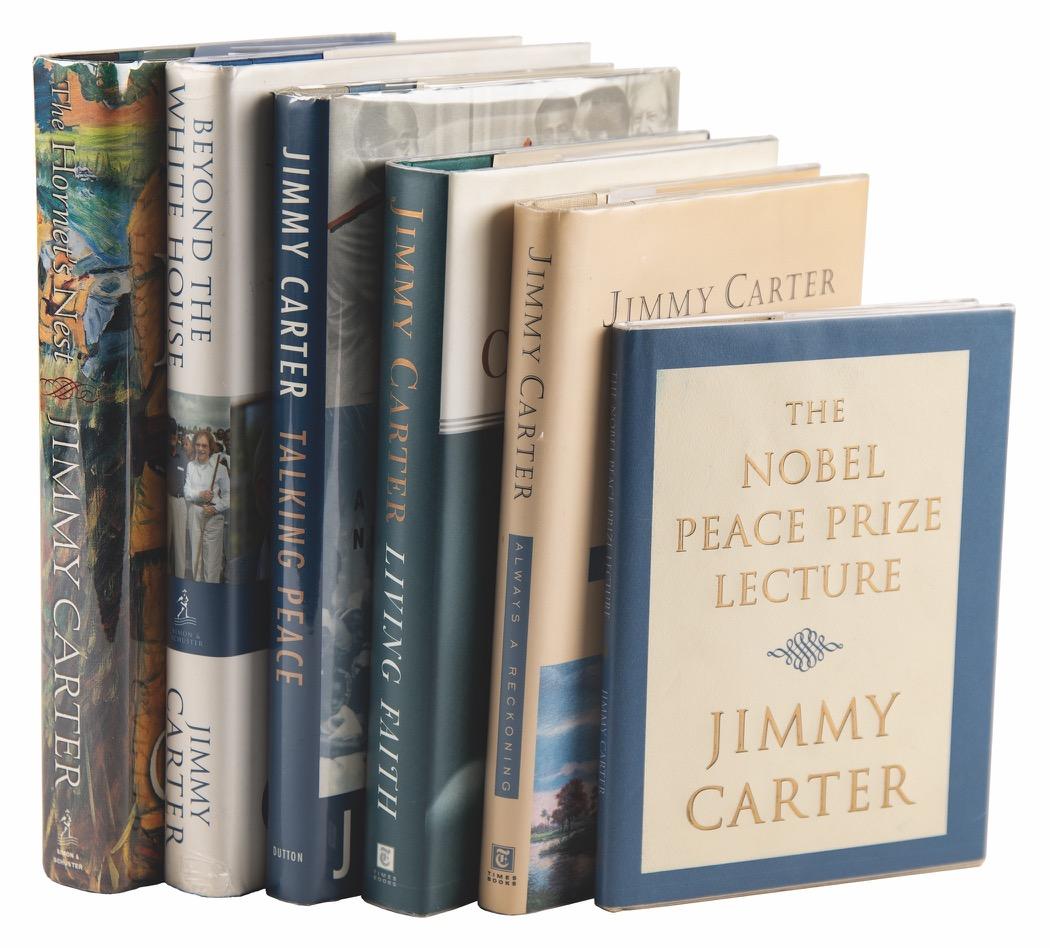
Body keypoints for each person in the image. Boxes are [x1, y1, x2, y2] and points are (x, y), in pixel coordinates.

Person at [184, 428, 230, 583]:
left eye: (204, 445)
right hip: (195, 514)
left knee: (211, 563)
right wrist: (200, 495)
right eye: (198, 445)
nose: (200, 449)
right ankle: (198, 592)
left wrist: (215, 508)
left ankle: (211, 592)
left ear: (210, 448)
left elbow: (229, 496)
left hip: (213, 516)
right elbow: (187, 492)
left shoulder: (220, 469)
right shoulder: (190, 466)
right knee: (196, 561)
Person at [167, 427, 193, 578]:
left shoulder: (183, 456)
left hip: (179, 501)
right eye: (169, 433)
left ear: (177, 435)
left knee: (180, 545)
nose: (172, 436)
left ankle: (180, 578)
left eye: (174, 433)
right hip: (165, 501)